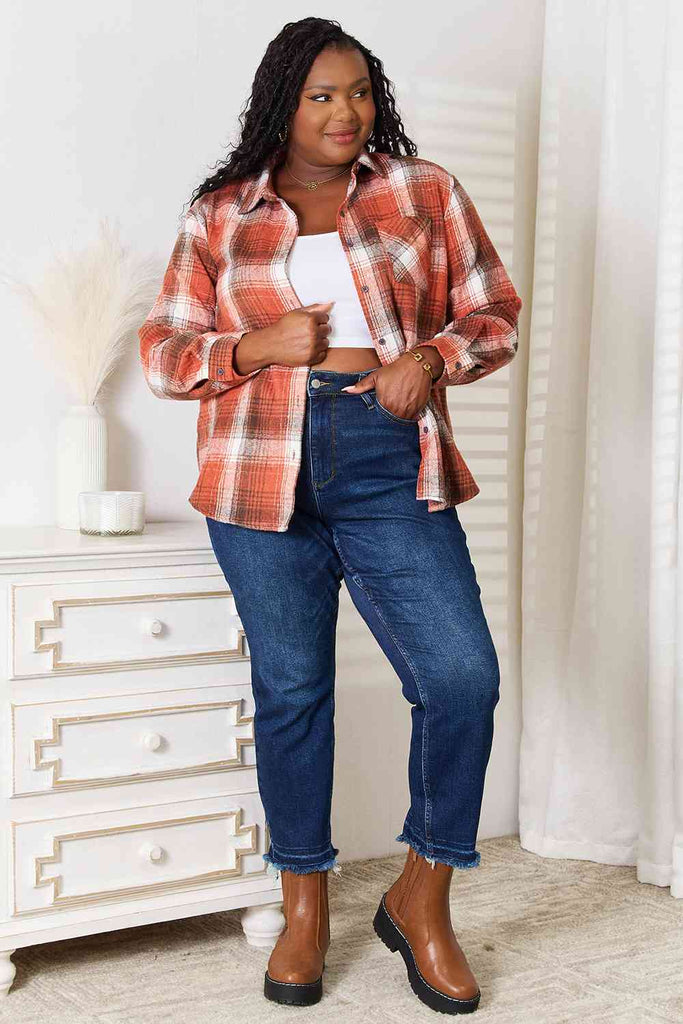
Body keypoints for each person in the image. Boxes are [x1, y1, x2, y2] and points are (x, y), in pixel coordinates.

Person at [138, 15, 522, 1015]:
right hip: (255, 472)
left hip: (386, 455)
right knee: (293, 691)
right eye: (320, 96)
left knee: (459, 678)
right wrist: (255, 346)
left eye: (358, 92)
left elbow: (492, 312)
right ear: (282, 105)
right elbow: (165, 352)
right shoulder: (221, 214)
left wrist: (428, 359)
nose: (344, 112)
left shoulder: (420, 191)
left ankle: (421, 894)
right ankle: (302, 905)